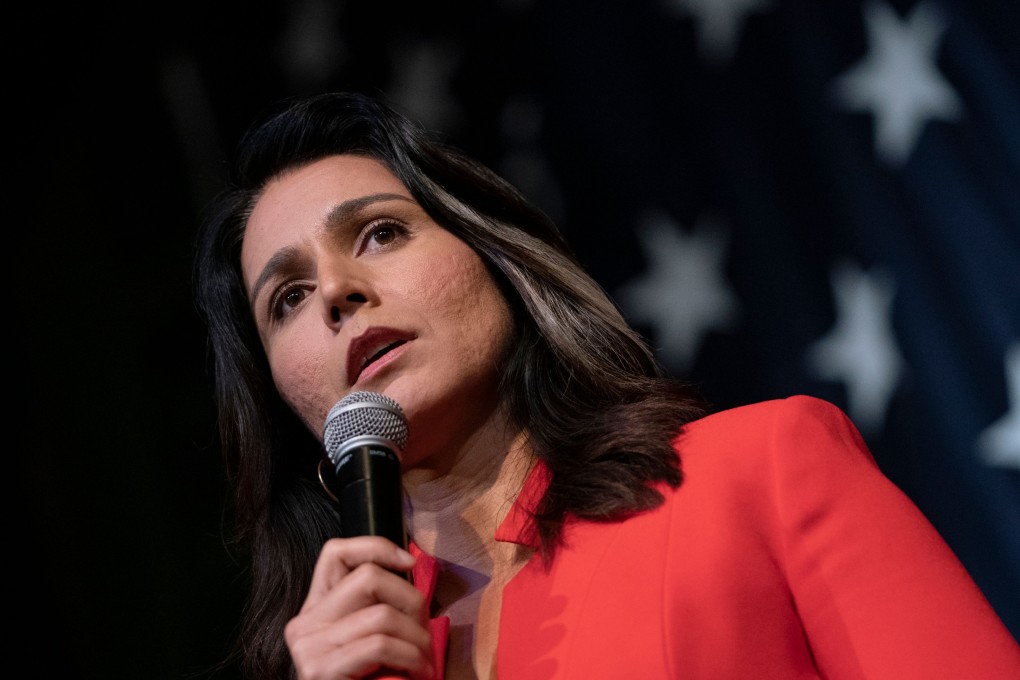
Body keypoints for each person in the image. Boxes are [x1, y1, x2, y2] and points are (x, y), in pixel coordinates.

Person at [194, 91, 1020, 680]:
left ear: (496, 260)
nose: (337, 291)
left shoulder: (759, 470)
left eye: (380, 233)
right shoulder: (339, 662)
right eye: (288, 299)